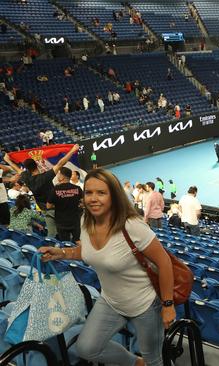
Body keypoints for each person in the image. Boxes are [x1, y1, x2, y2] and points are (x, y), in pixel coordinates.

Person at [39, 169, 175, 366]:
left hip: (145, 305)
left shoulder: (132, 226)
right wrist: (61, 253)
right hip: (111, 301)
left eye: (101, 193)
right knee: (86, 348)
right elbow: (88, 253)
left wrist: (168, 305)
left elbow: (164, 262)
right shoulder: (85, 220)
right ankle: (136, 364)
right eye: (89, 192)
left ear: (114, 195)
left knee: (154, 359)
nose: (93, 198)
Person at [5, 144, 79, 238]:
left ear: (27, 169)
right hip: (57, 208)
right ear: (36, 165)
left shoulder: (27, 178)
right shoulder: (45, 177)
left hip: (44, 210)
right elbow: (60, 163)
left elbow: (17, 169)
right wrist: (72, 150)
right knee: (67, 231)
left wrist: (7, 160)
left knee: (52, 234)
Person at [46, 167, 83, 243]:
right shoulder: (77, 188)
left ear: (62, 176)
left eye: (59, 174)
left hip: (61, 222)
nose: (57, 176)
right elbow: (84, 202)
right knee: (77, 241)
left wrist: (57, 204)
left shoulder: (55, 189)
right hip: (75, 220)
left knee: (65, 243)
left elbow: (48, 206)